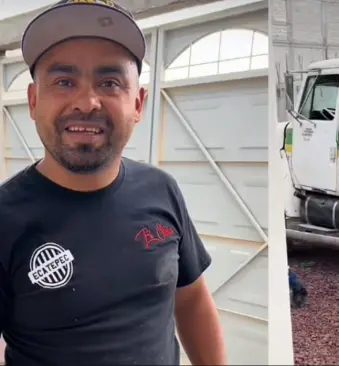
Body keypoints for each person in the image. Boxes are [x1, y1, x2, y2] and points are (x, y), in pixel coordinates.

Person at [0, 1, 227, 365]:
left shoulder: (161, 190)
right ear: (33, 100)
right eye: (63, 81)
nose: (87, 102)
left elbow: (192, 301)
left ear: (138, 103)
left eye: (109, 82)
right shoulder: (5, 218)